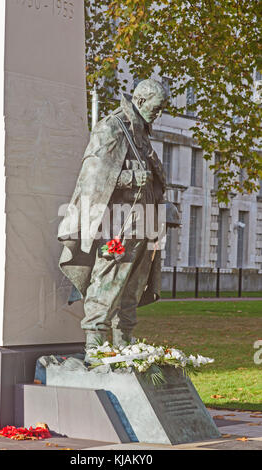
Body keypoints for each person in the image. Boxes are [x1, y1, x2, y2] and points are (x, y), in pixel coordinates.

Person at [58, 79, 179, 361]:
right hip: (118, 227)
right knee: (107, 284)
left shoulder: (141, 132)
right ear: (139, 100)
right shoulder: (112, 127)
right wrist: (130, 178)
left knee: (131, 291)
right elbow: (91, 179)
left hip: (144, 226)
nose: (158, 115)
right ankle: (96, 351)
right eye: (156, 108)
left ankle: (126, 349)